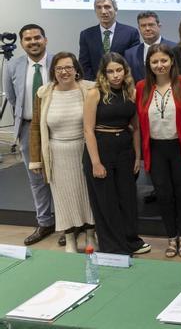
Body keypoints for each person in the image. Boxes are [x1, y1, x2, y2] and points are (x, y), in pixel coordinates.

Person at [82, 53, 150, 255]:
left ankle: (132, 241)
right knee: (106, 201)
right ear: (104, 73)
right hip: (101, 149)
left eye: (118, 70)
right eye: (110, 71)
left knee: (127, 199)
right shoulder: (95, 93)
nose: (115, 75)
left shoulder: (131, 91)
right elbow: (88, 130)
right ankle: (113, 247)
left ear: (125, 70)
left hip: (125, 150)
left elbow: (136, 128)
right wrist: (95, 162)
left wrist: (137, 156)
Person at [29, 52, 96, 253]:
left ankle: (91, 236)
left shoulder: (90, 89)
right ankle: (70, 240)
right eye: (59, 68)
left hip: (84, 152)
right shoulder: (44, 93)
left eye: (68, 67)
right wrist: (36, 161)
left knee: (88, 196)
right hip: (56, 155)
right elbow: (35, 128)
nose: (64, 72)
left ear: (76, 70)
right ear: (53, 72)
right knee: (63, 198)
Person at [135, 44, 181, 257]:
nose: (160, 65)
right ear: (149, 65)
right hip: (155, 148)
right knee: (163, 194)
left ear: (172, 62)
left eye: (164, 61)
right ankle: (172, 238)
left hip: (180, 146)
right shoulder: (142, 87)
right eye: (155, 62)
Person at [3, 24, 62, 246]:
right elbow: (11, 96)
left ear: (45, 40)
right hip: (29, 128)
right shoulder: (13, 66)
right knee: (36, 178)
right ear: (22, 43)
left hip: (57, 128)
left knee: (61, 176)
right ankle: (45, 222)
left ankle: (66, 224)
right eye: (28, 39)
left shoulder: (59, 61)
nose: (33, 42)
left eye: (37, 37)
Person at [78, 0, 139, 81]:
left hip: (122, 85)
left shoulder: (131, 33)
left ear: (116, 10)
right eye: (99, 8)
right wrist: (95, 84)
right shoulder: (86, 34)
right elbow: (84, 64)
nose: (103, 11)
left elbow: (133, 64)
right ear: (95, 11)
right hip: (95, 85)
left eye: (107, 7)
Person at [123, 11, 177, 82]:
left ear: (159, 26)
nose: (147, 28)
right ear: (139, 28)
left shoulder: (175, 48)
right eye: (143, 26)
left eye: (151, 25)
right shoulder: (130, 54)